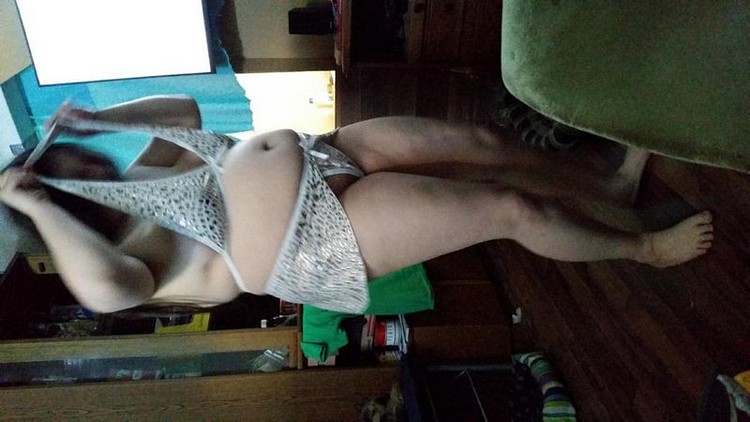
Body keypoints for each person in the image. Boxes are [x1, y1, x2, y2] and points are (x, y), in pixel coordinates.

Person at [0, 95, 714, 314]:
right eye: (56, 178)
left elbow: (184, 109)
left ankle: (608, 187)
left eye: (61, 157)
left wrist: (96, 120)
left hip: (323, 154)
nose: (74, 167)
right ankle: (645, 249)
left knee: (481, 143)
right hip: (319, 239)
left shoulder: (140, 176)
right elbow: (114, 290)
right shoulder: (105, 261)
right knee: (508, 208)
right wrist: (37, 208)